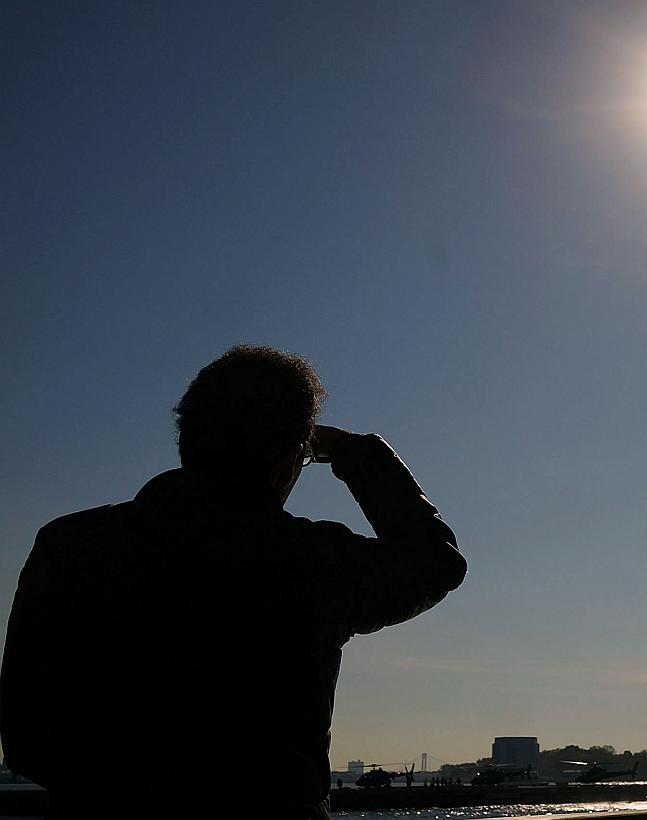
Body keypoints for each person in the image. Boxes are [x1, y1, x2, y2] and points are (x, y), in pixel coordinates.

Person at [0, 345, 467, 819]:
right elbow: (435, 564)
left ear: (186, 438)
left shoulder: (70, 548)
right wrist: (355, 453)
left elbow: (25, 737)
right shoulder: (313, 561)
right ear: (288, 459)